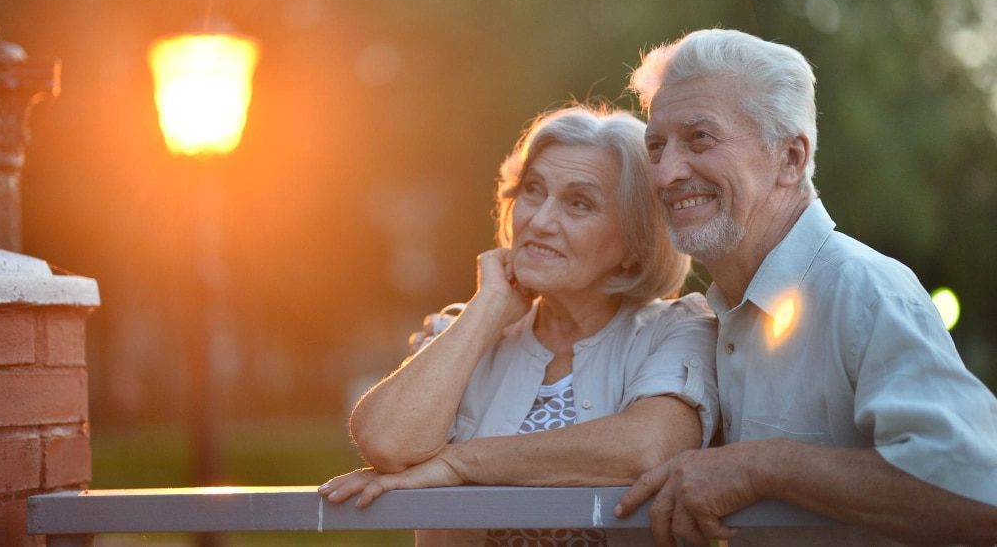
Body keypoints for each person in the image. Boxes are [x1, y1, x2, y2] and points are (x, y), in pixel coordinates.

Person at [613, 28, 997, 546]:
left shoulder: (865, 291)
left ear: (791, 158)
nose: (665, 173)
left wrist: (762, 467)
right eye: (656, 146)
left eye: (699, 137)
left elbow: (980, 497)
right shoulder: (713, 314)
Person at [319, 105, 720, 546]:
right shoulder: (463, 330)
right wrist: (489, 304)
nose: (540, 221)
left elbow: (646, 446)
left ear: (634, 241)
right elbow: (386, 442)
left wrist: (459, 464)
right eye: (533, 191)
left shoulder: (678, 328)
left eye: (579, 203)